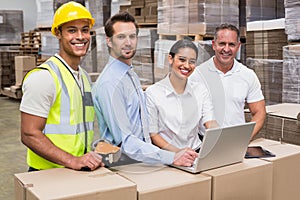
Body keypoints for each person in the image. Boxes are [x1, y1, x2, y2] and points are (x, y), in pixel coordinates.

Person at [92, 12, 197, 167]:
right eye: (121, 37)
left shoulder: (129, 74)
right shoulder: (110, 83)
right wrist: (170, 157)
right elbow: (126, 141)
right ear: (109, 41)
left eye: (132, 36)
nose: (128, 42)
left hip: (141, 159)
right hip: (123, 164)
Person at [20, 1, 104, 171]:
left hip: (75, 168)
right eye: (72, 30)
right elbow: (29, 134)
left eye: (85, 30)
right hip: (48, 173)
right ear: (58, 33)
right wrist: (72, 160)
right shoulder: (44, 77)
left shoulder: (84, 77)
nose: (80, 36)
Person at [189, 23, 266, 140]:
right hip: (204, 141)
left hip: (236, 142)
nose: (226, 49)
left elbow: (259, 112)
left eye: (231, 44)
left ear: (238, 46)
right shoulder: (197, 75)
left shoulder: (248, 75)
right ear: (214, 45)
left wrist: (245, 138)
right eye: (222, 44)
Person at [145, 39, 218, 153]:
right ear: (170, 59)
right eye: (182, 60)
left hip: (196, 152)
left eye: (192, 61)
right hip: (168, 155)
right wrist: (178, 153)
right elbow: (153, 134)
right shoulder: (153, 93)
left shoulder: (200, 90)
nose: (187, 66)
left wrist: (220, 138)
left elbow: (210, 122)